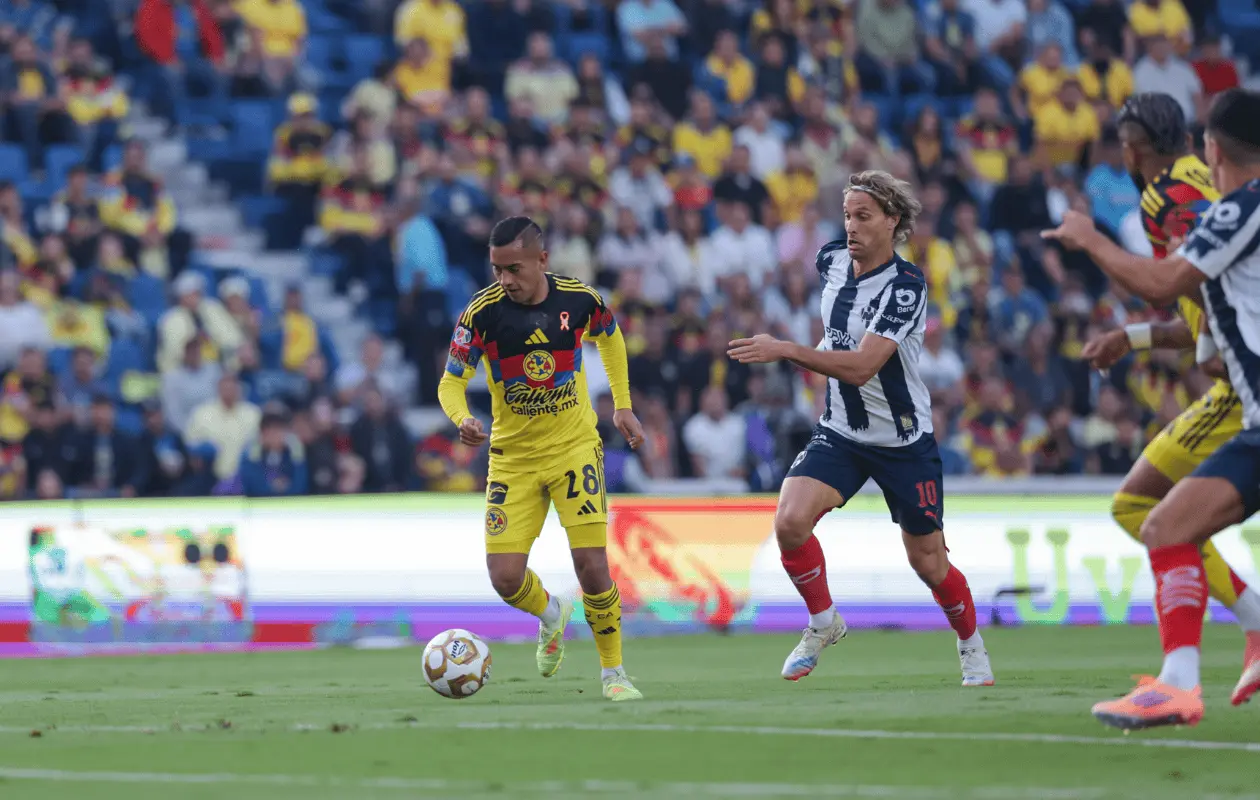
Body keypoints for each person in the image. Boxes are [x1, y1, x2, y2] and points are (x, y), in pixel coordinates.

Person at [1042, 88, 1260, 728]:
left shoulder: (1200, 203)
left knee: (1151, 517)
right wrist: (1142, 338)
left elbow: (1168, 285)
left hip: (1245, 404)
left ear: (1212, 148)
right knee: (1163, 524)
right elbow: (1209, 321)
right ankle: (1179, 682)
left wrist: (1090, 238)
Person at [727, 170, 995, 687]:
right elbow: (835, 336)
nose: (851, 226)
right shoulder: (829, 260)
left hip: (902, 442)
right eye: (848, 215)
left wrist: (786, 348)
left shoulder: (906, 287)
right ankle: (823, 622)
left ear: (892, 222)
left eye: (864, 216)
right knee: (789, 522)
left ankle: (971, 646)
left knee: (929, 563)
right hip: (842, 434)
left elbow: (863, 366)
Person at [437, 217, 648, 702]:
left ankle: (613, 674)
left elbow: (611, 338)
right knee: (505, 578)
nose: (504, 279)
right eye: (496, 269)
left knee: (592, 566)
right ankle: (552, 613)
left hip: (574, 449)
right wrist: (461, 418)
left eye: (513, 268)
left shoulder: (579, 300)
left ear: (542, 261)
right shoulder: (482, 313)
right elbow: (450, 381)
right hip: (512, 458)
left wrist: (622, 404)